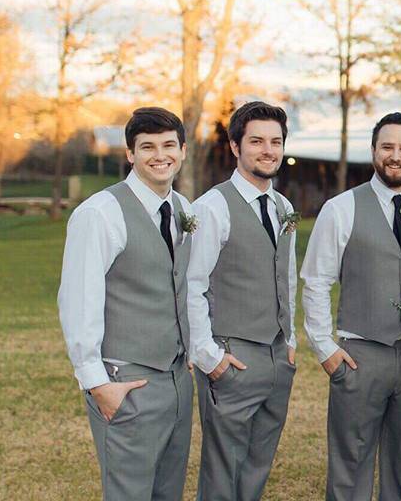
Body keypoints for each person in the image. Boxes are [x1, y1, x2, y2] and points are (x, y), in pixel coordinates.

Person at [301, 112, 401, 501]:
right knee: (350, 461)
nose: (395, 155)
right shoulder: (341, 209)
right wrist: (325, 349)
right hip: (360, 354)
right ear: (373, 151)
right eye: (387, 146)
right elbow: (317, 281)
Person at [57, 107, 194, 501]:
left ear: (182, 150)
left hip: (176, 380)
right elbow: (77, 299)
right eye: (147, 146)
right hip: (125, 381)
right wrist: (98, 383)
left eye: (169, 145)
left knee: (167, 491)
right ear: (130, 154)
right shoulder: (100, 213)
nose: (159, 155)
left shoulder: (184, 209)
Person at [187, 101, 299, 501]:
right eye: (256, 141)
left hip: (276, 358)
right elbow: (192, 285)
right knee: (222, 471)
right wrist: (209, 356)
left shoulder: (284, 207)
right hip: (232, 358)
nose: (268, 150)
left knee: (258, 464)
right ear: (235, 147)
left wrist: (291, 343)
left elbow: (286, 277)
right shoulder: (213, 207)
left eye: (275, 141)